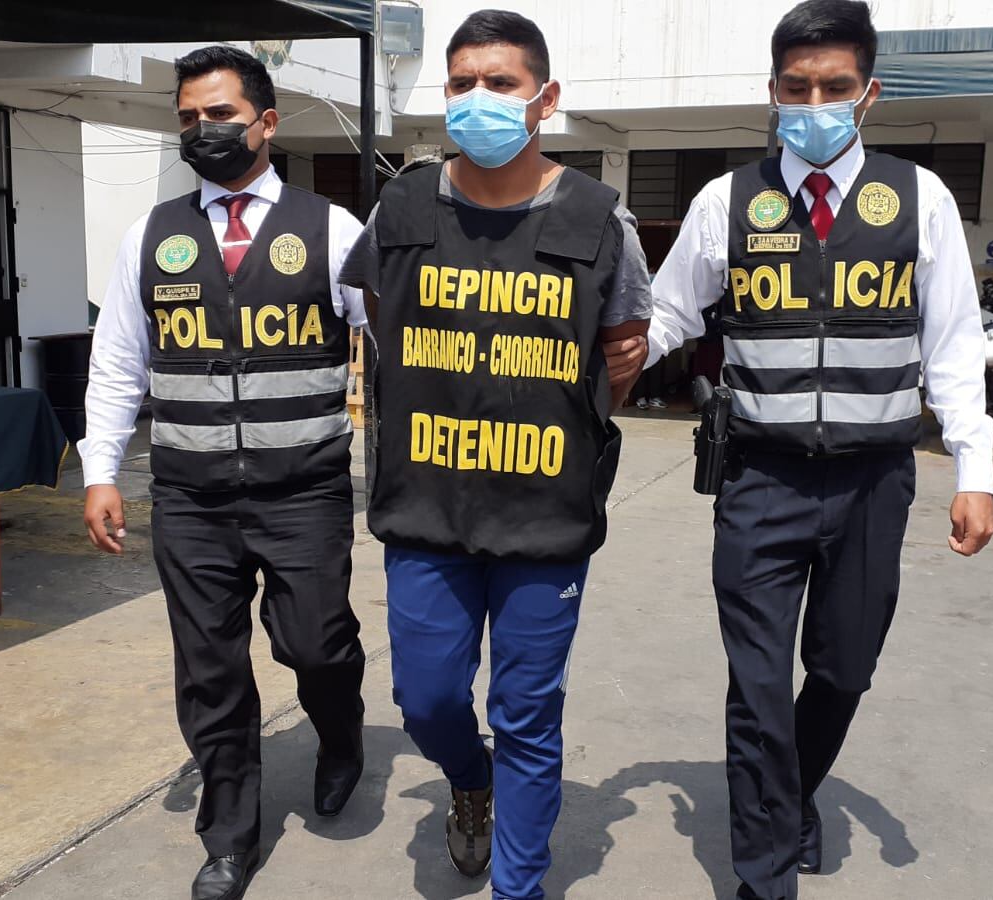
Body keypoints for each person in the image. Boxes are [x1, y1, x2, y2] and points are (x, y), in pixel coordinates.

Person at [642, 3, 993, 898]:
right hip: (760, 478)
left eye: (834, 88)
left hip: (875, 480)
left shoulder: (920, 199)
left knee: (843, 670)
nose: (814, 105)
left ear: (869, 94)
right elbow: (667, 315)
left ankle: (792, 791)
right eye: (796, 88)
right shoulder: (728, 201)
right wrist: (585, 358)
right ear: (771, 90)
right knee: (759, 685)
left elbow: (954, 342)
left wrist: (976, 471)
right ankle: (765, 873)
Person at [338, 10, 651, 898]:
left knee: (527, 714)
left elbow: (622, 354)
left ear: (545, 100)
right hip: (425, 507)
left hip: (544, 516)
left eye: (501, 82)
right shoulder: (401, 208)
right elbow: (379, 324)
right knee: (426, 699)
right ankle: (469, 779)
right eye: (463, 82)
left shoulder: (600, 219)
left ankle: (520, 886)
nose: (479, 97)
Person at [78, 46, 368, 900]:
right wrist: (100, 472)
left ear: (266, 123)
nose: (202, 130)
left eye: (220, 115)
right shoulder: (152, 235)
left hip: (304, 490)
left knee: (315, 645)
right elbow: (117, 361)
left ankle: (341, 734)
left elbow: (394, 344)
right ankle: (231, 836)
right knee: (210, 668)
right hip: (191, 497)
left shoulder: (331, 228)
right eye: (188, 118)